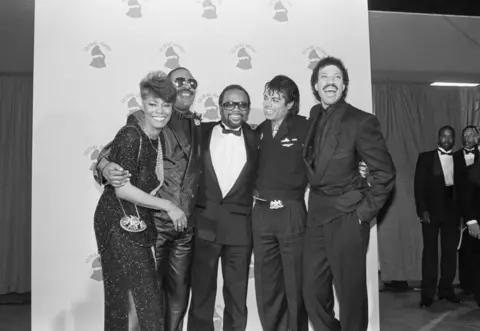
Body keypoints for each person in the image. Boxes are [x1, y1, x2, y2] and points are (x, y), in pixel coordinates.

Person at [94, 67, 203, 331]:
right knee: (137, 302)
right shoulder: (134, 128)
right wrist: (104, 166)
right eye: (153, 103)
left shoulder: (194, 125)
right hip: (123, 221)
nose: (160, 110)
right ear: (143, 103)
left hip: (152, 224)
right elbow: (110, 161)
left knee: (141, 301)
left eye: (165, 104)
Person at [302, 56, 395, 331]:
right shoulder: (314, 115)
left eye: (337, 78)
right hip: (316, 214)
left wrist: (363, 214)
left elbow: (385, 172)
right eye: (324, 78)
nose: (330, 82)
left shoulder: (361, 121)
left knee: (350, 294)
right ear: (315, 86)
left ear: (344, 86)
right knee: (311, 290)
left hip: (348, 215)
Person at [187, 84, 260, 331]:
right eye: (230, 103)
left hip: (240, 228)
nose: (236, 108)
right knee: (201, 296)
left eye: (242, 104)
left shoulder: (257, 137)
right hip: (204, 224)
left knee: (237, 297)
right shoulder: (200, 131)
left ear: (248, 110)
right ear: (220, 107)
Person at [251, 75, 309, 331]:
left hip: (291, 211)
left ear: (290, 104)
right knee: (267, 283)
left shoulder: (307, 127)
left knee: (295, 282)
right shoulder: (257, 131)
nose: (268, 103)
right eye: (266, 97)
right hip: (262, 213)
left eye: (276, 99)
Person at [414, 125, 462, 307]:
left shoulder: (458, 159)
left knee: (450, 253)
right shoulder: (426, 157)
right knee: (430, 253)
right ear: (438, 138)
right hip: (431, 213)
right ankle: (427, 294)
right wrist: (422, 210)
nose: (447, 139)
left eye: (450, 136)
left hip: (452, 213)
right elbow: (418, 186)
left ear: (454, 139)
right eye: (444, 136)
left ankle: (446, 290)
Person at [453, 126, 479, 295]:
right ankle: (467, 285)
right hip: (460, 209)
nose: (468, 137)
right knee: (465, 250)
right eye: (465, 135)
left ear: (477, 138)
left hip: (476, 208)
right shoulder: (454, 157)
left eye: (471, 134)